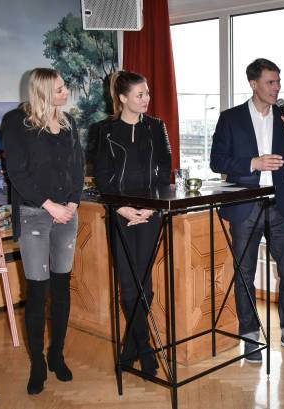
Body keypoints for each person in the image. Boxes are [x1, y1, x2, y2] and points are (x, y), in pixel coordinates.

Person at [210, 58, 284, 363]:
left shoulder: (283, 118)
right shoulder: (231, 119)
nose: (277, 87)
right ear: (254, 84)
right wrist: (252, 164)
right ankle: (250, 336)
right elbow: (217, 161)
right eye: (271, 82)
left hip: (278, 205)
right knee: (244, 272)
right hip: (245, 204)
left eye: (278, 81)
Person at [1, 68, 84, 394]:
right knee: (38, 293)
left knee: (62, 289)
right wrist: (50, 205)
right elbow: (17, 173)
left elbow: (77, 167)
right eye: (61, 89)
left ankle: (56, 356)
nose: (66, 94)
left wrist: (73, 204)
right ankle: (37, 364)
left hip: (68, 215)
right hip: (35, 214)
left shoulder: (68, 122)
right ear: (44, 92)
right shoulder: (15, 122)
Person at [93, 71, 172, 376]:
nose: (147, 99)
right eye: (140, 95)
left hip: (151, 215)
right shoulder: (104, 130)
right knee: (129, 285)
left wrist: (152, 208)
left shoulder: (156, 127)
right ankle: (146, 350)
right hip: (120, 214)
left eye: (148, 94)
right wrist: (122, 207)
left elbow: (165, 173)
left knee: (145, 283)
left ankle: (131, 350)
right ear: (123, 98)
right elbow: (102, 176)